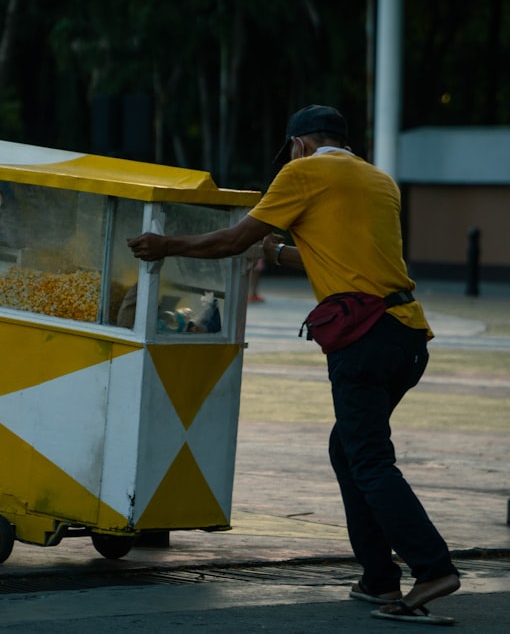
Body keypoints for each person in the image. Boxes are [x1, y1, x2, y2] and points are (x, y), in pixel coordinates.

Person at [128, 105, 460, 624]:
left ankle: (432, 567)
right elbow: (342, 255)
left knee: (369, 459)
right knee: (348, 449)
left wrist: (165, 246)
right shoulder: (378, 180)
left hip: (363, 338)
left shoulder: (303, 171)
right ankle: (377, 578)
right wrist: (279, 252)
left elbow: (233, 239)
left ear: (299, 144)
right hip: (408, 335)